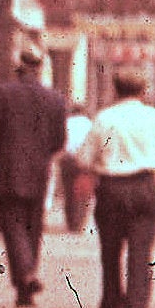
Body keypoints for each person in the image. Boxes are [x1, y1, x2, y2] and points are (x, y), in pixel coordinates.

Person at [88, 66, 155, 308]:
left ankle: (112, 306)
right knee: (141, 252)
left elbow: (86, 158)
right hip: (144, 187)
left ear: (115, 90)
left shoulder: (103, 118)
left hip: (111, 188)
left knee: (110, 251)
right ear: (143, 91)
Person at [0, 55, 69, 308]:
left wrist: (3, 155)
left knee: (13, 225)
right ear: (40, 70)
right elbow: (59, 140)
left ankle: (25, 277)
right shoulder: (55, 98)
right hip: (40, 170)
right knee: (33, 227)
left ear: (19, 70)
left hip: (8, 169)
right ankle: (25, 285)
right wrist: (42, 156)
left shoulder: (3, 93)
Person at [61, 99, 97, 233]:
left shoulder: (66, 123)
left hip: (68, 160)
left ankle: (71, 222)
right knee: (83, 193)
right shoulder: (89, 124)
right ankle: (80, 222)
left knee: (69, 192)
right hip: (84, 162)